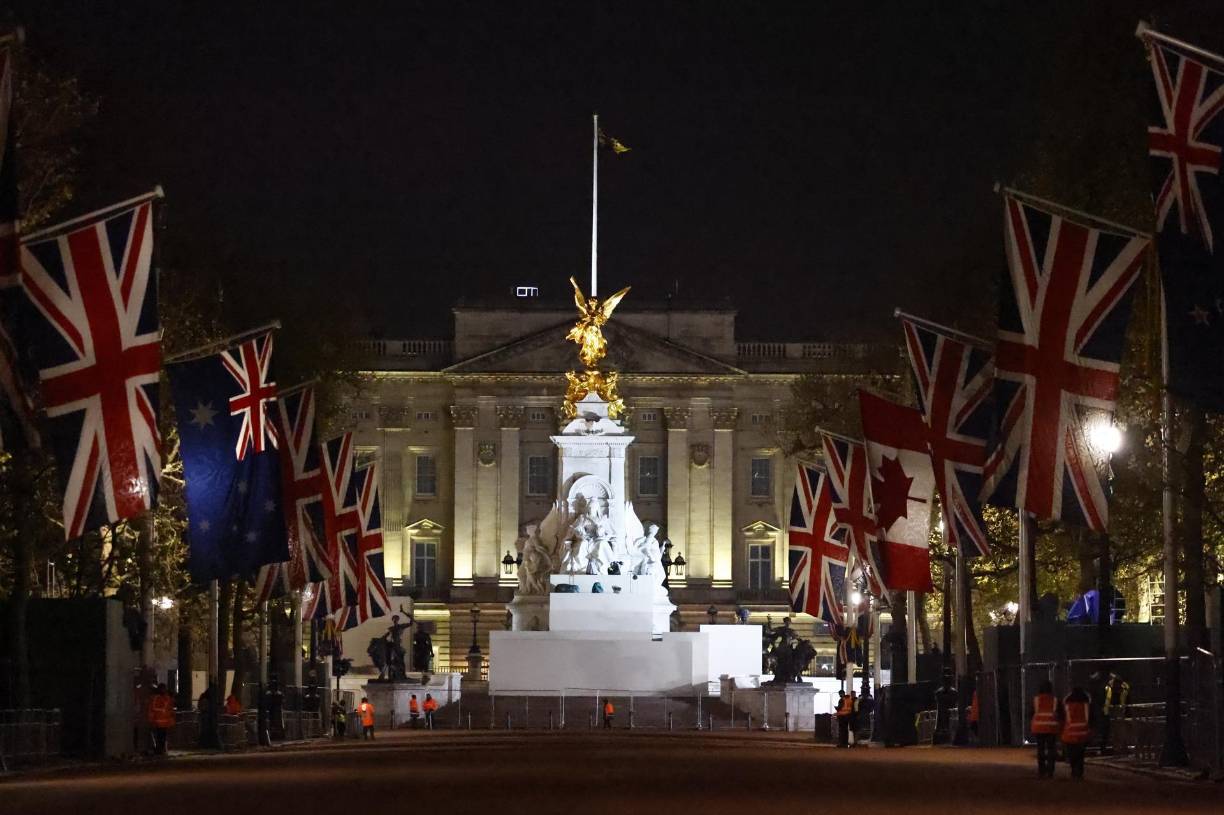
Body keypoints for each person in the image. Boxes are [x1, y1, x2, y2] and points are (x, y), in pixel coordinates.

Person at [1061, 686, 1092, 780]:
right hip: (1083, 733)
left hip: (1070, 733)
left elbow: (1063, 717)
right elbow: (1091, 718)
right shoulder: (1086, 704)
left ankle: (1074, 770)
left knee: (1072, 753)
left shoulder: (1067, 704)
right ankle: (1079, 771)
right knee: (1080, 754)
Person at [1031, 680, 1060, 778]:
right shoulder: (1055, 699)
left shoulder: (1036, 699)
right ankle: (1050, 771)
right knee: (1051, 750)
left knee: (1040, 749)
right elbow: (1059, 713)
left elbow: (1031, 712)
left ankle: (1041, 771)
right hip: (1051, 727)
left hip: (1039, 727)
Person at [146, 683, 175, 756]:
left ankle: (161, 750)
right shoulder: (157, 698)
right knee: (160, 737)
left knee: (163, 736)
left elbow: (170, 708)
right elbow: (154, 707)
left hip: (164, 721)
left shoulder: (167, 698)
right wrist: (163, 710)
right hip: (159, 721)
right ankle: (159, 750)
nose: (164, 690)